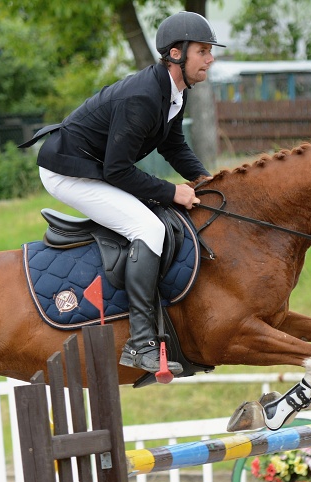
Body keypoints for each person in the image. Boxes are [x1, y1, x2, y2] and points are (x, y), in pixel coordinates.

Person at [20, 12, 224, 374]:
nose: (210, 59)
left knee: (153, 217)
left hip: (95, 167)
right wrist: (171, 192)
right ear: (176, 54)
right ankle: (140, 344)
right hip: (67, 171)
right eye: (204, 51)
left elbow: (173, 147)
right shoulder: (144, 97)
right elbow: (117, 171)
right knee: (148, 229)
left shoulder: (174, 93)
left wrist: (208, 181)